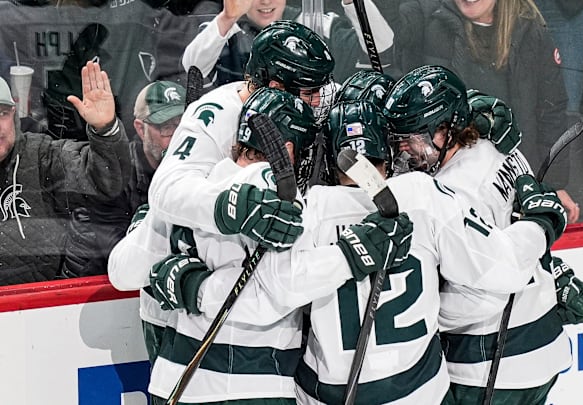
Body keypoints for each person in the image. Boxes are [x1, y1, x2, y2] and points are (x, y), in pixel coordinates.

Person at [109, 87, 415, 403]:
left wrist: (175, 275)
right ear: (286, 149)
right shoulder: (275, 187)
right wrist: (351, 254)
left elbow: (122, 271)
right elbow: (276, 292)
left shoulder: (195, 187)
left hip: (172, 381)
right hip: (245, 385)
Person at [290, 98, 560, 404]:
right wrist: (541, 225)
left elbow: (278, 292)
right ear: (388, 154)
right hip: (417, 391)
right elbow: (501, 268)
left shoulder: (307, 210)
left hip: (326, 394)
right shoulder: (421, 194)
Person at [382, 64, 583, 405]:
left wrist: (422, 312)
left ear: (446, 129)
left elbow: (481, 294)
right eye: (399, 139)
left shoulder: (453, 190)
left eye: (415, 138)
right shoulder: (496, 143)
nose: (405, 150)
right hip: (540, 343)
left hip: (492, 360)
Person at [372, 0, 580, 222]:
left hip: (508, 185)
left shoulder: (531, 31)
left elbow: (551, 112)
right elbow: (384, 36)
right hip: (444, 188)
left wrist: (552, 185)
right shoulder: (426, 15)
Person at [148, 20, 336, 238]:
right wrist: (234, 208)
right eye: (310, 91)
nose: (318, 101)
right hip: (219, 249)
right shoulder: (214, 114)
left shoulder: (301, 103)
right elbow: (166, 192)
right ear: (277, 86)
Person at [0, 60, 130, 286]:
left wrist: (106, 131)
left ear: (14, 113)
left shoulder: (40, 155)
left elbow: (105, 181)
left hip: (43, 308)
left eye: (2, 113)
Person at [60, 81, 186, 277]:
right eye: (167, 128)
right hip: (96, 291)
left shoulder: (196, 165)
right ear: (141, 129)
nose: (178, 137)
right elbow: (125, 260)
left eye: (183, 125)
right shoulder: (111, 175)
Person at [181, 0, 395, 86]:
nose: (265, 2)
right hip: (243, 150)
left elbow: (381, 53)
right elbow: (193, 69)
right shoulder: (225, 29)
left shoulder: (318, 25)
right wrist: (227, 19)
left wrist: (352, 1)